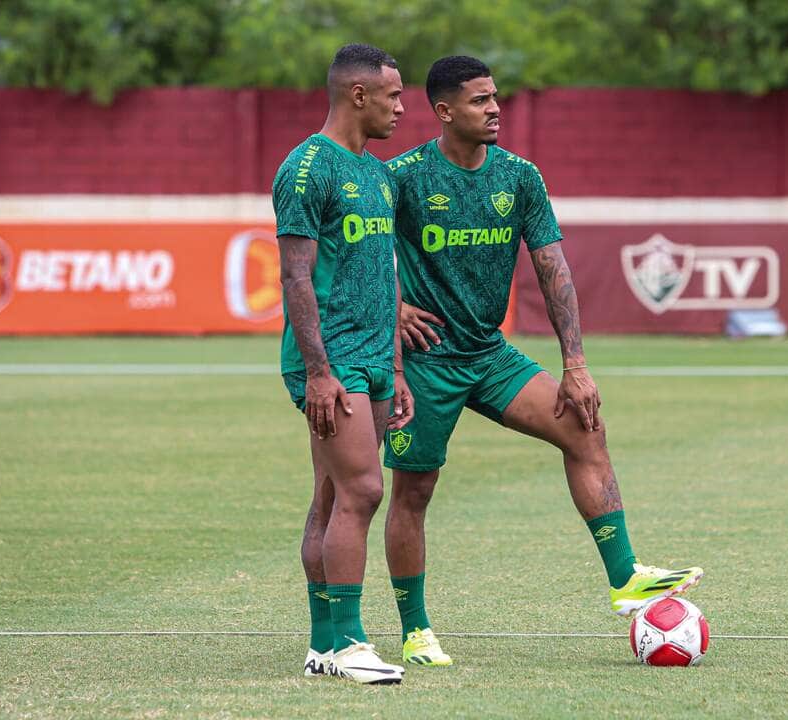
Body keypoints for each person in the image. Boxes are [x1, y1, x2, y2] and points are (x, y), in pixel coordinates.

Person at [382, 56, 703, 667]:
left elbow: (554, 267)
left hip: (489, 354)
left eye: (495, 97)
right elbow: (359, 253)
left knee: (584, 424)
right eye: (480, 100)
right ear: (445, 112)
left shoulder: (521, 177)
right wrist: (393, 308)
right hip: (427, 362)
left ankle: (626, 577)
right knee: (415, 492)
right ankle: (416, 630)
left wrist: (575, 363)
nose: (495, 108)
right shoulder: (402, 177)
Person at [273, 43, 413, 685]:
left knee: (331, 496)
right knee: (363, 490)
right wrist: (319, 372)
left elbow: (384, 277)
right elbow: (296, 276)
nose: (402, 108)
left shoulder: (377, 174)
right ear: (359, 95)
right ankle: (354, 643)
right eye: (393, 96)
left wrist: (398, 369)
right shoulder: (307, 168)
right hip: (330, 362)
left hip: (375, 359)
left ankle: (322, 645)